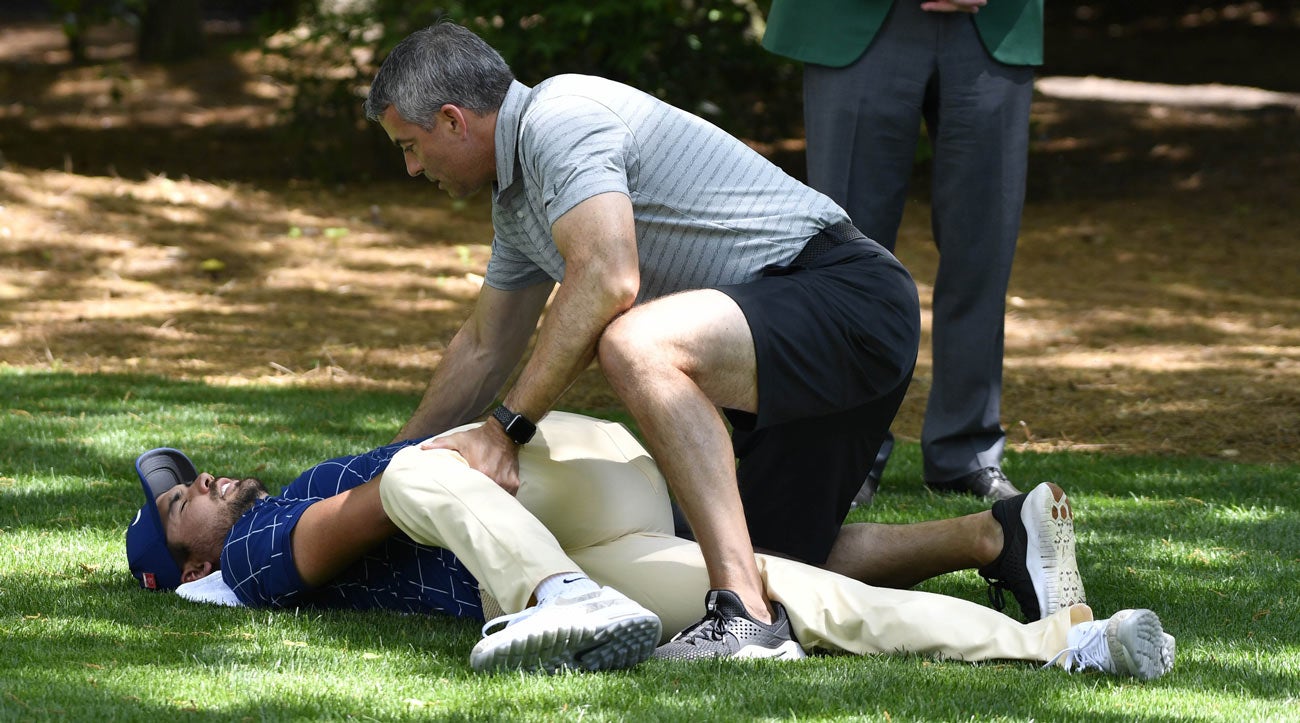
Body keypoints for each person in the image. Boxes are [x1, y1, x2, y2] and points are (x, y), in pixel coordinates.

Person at [361, 20, 922, 659]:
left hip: (850, 298)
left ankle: (744, 623)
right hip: (795, 336)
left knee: (636, 345)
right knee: (759, 562)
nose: (410, 167)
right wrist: (383, 471)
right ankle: (997, 539)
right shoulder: (516, 203)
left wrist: (504, 429)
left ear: (455, 121)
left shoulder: (560, 117)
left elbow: (606, 276)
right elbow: (485, 345)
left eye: (409, 144)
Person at [125, 411, 1174, 679]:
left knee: (414, 472)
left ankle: (552, 596)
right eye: (184, 506)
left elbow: (418, 474)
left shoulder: (248, 535)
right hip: (583, 505)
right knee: (770, 589)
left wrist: (429, 457)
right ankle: (1070, 647)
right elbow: (375, 504)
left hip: (563, 498)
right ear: (191, 568)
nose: (205, 482)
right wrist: (421, 460)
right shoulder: (255, 561)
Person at [763, 0, 1043, 505]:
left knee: (984, 248)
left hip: (994, 20)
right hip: (850, 22)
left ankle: (969, 451)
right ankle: (845, 452)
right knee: (845, 260)